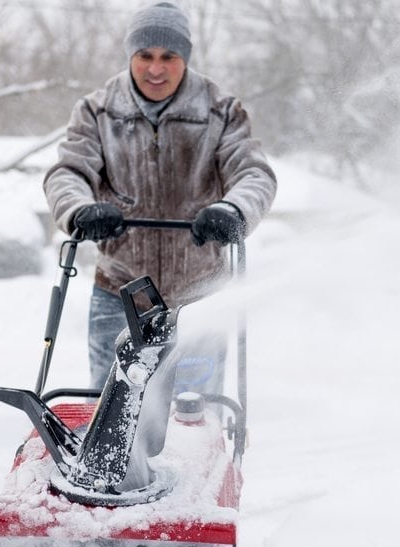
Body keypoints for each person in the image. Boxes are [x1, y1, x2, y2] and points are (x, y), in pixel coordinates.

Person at [44, 2, 277, 389]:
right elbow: (69, 172)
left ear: (184, 57)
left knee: (193, 417)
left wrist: (232, 209)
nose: (155, 68)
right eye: (145, 56)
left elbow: (254, 173)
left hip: (199, 295)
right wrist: (80, 209)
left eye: (168, 56)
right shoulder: (97, 111)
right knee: (112, 420)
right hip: (119, 292)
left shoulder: (220, 111)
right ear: (130, 55)